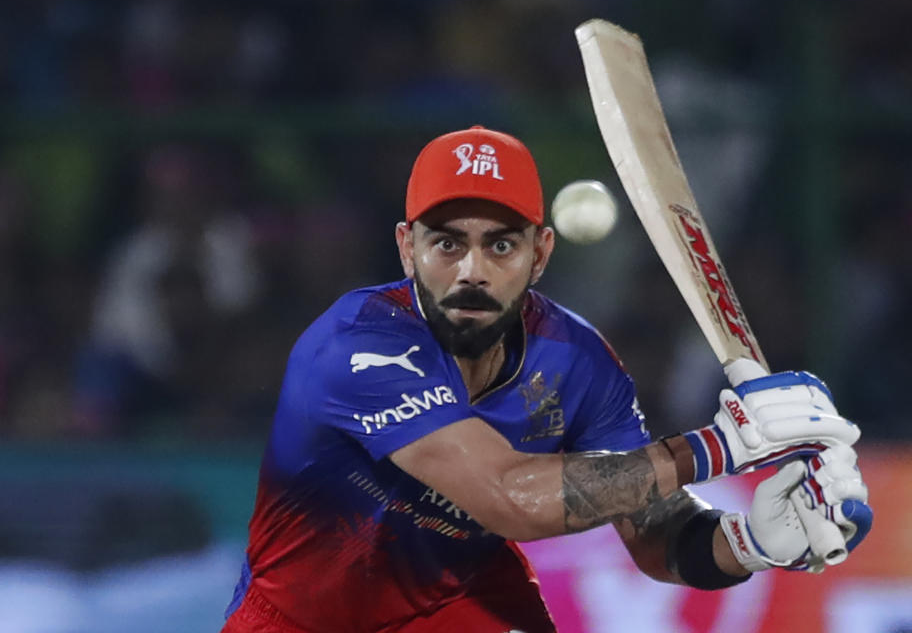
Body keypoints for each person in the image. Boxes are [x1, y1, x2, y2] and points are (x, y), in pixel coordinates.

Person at [222, 126, 870, 633]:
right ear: (405, 246)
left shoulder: (577, 360)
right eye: (447, 243)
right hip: (301, 623)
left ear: (542, 252)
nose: (472, 270)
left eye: (501, 245)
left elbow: (655, 534)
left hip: (457, 607)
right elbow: (510, 499)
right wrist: (718, 448)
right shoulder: (356, 344)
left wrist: (749, 542)